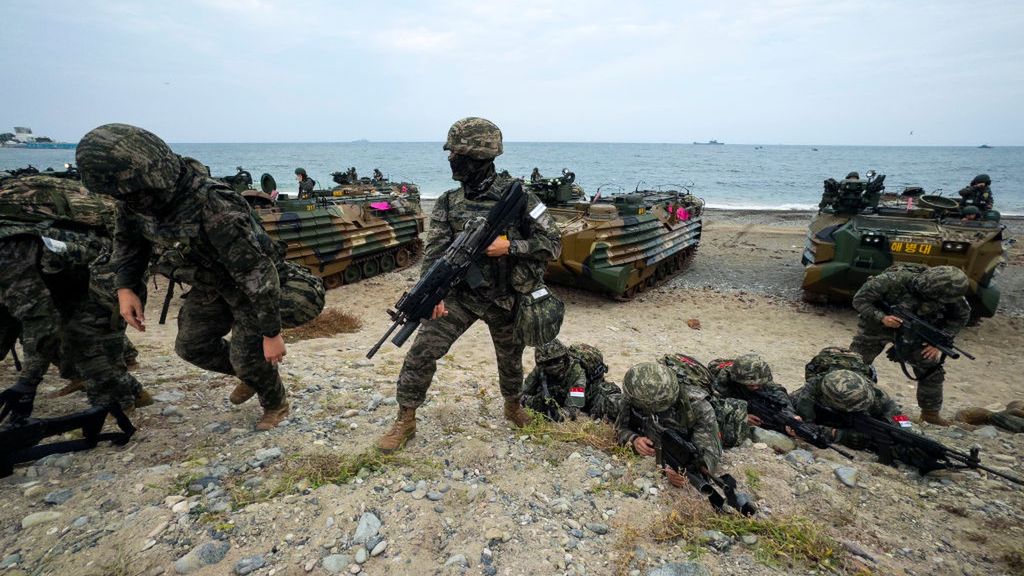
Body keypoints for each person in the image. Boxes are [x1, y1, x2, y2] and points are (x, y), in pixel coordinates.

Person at [77, 123, 291, 430]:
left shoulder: (212, 204)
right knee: (191, 346)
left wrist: (271, 333)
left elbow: (256, 271)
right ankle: (252, 373)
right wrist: (125, 287)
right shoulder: (136, 202)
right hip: (210, 285)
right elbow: (127, 242)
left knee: (250, 357)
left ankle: (274, 401)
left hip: (247, 288)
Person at [376, 117, 562, 453]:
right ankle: (405, 419)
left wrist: (512, 247)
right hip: (461, 297)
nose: (449, 160)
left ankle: (513, 407)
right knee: (422, 351)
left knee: (511, 359)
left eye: (455, 154)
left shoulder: (520, 198)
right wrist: (429, 296)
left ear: (477, 158)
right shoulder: (448, 202)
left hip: (506, 297)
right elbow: (434, 256)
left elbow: (553, 243)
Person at [0, 175, 149, 423]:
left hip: (106, 264)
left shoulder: (5, 255)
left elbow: (40, 322)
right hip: (62, 273)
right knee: (68, 333)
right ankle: (126, 389)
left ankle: (119, 408)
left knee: (86, 337)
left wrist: (27, 384)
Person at [849, 265, 970, 426]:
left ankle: (930, 414)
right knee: (854, 364)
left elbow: (961, 317)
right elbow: (860, 299)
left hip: (917, 333)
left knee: (931, 370)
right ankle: (848, 403)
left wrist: (939, 341)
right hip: (877, 326)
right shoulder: (892, 280)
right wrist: (882, 317)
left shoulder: (951, 294)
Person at [615, 362, 723, 489]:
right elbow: (620, 427)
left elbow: (711, 452)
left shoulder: (698, 406)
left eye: (660, 407)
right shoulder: (634, 394)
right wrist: (634, 439)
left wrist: (689, 473)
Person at [790, 369, 904, 451]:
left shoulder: (877, 394)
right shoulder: (810, 393)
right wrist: (837, 434)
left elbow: (899, 417)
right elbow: (804, 423)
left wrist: (906, 428)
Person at [521, 339, 621, 421]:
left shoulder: (577, 372)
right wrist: (535, 402)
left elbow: (572, 410)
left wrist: (555, 414)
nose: (553, 366)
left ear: (565, 357)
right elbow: (520, 394)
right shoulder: (541, 370)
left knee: (614, 405)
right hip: (563, 397)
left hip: (589, 394)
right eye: (548, 363)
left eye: (556, 361)